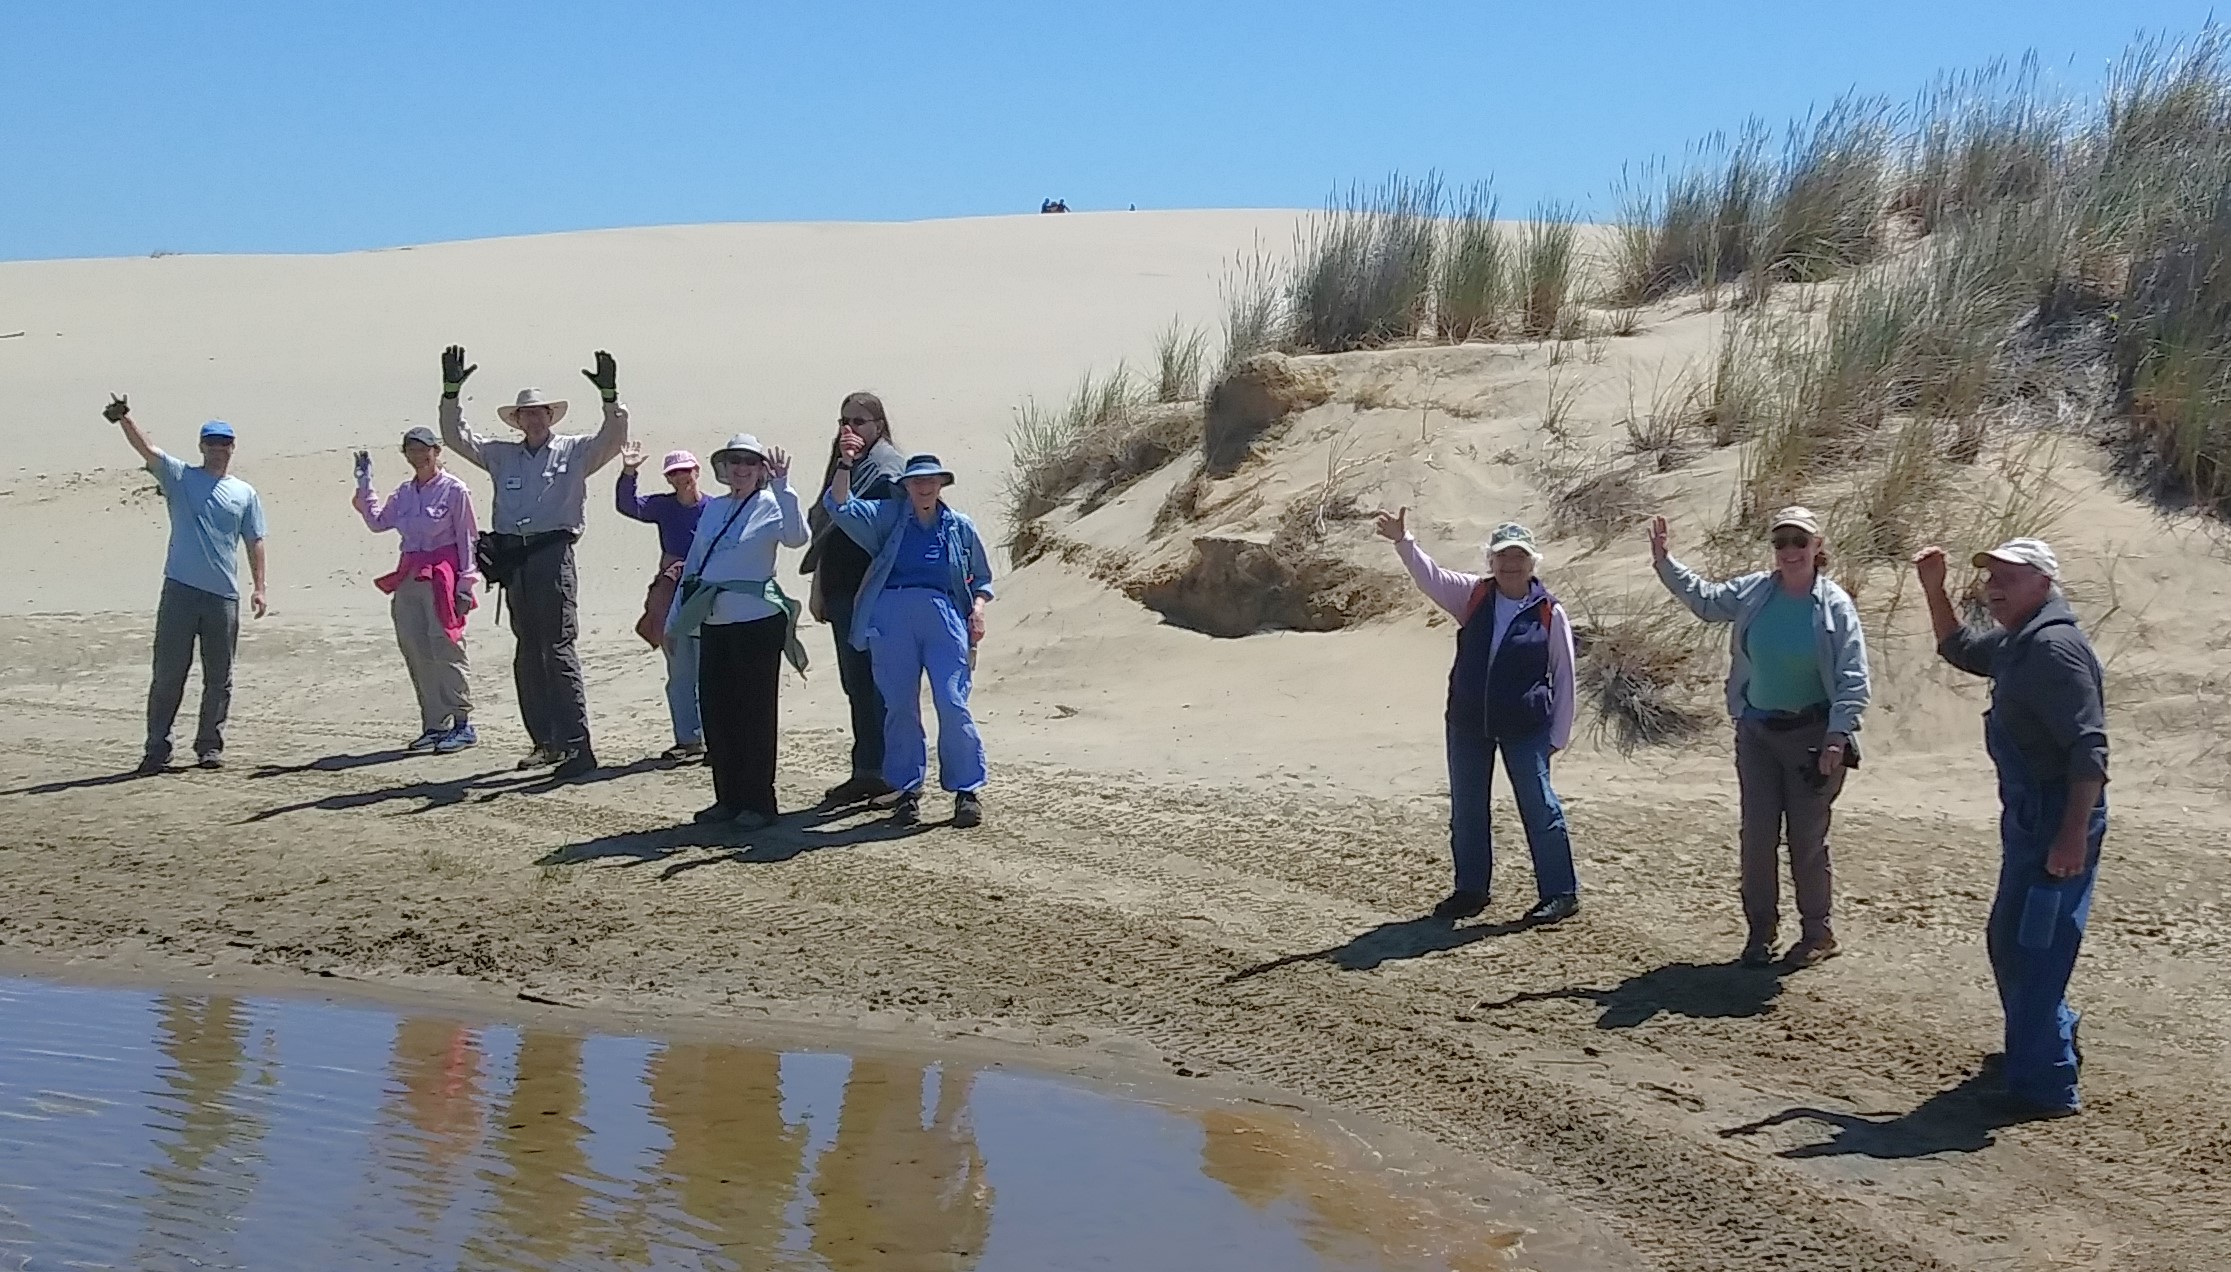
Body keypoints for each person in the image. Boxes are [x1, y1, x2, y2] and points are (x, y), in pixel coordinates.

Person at [1914, 538, 2107, 1118]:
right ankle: (2046, 1038)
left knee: (2036, 948)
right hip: (2030, 816)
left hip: (2057, 815)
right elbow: (1961, 649)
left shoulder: (2054, 649)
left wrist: (2071, 835)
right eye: (1991, 577)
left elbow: (2089, 752)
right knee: (2011, 940)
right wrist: (1932, 589)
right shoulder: (2021, 641)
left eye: (2010, 577)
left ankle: (2046, 1086)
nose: (1995, 587)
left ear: (2045, 582)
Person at [1650, 507, 1870, 969]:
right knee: (1757, 836)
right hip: (1757, 732)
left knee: (1806, 839)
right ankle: (1760, 933)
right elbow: (1707, 601)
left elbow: (1853, 677)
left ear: (1817, 547)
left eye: (1799, 540)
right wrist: (1665, 562)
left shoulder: (1834, 606)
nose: (1790, 550)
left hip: (1813, 737)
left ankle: (1817, 932)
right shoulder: (1756, 592)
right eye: (1781, 541)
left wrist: (1838, 734)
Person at [1376, 510, 1580, 923]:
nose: (1510, 564)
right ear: (1491, 560)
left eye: (1519, 556)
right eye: (1503, 556)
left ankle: (1560, 892)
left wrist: (1557, 736)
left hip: (1526, 728)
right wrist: (1404, 541)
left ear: (1532, 562)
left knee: (1540, 808)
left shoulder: (1548, 613)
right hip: (1468, 724)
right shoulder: (1472, 595)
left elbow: (1564, 675)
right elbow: (1429, 576)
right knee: (1467, 810)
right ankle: (1471, 890)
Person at [436, 344, 629, 780]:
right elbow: (456, 437)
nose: (534, 419)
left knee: (558, 649)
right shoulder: (501, 454)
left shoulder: (576, 451)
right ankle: (546, 742)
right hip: (514, 561)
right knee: (528, 652)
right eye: (527, 414)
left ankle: (579, 747)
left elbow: (613, 439)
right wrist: (450, 393)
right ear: (517, 420)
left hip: (554, 556)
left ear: (550, 417)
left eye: (540, 412)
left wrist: (610, 397)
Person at [823, 450, 993, 829]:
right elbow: (839, 505)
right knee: (899, 705)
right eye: (917, 481)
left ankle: (967, 791)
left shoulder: (960, 526)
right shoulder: (887, 517)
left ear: (941, 485)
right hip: (891, 617)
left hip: (944, 616)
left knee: (952, 702)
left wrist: (978, 610)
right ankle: (906, 792)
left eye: (931, 480)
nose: (924, 487)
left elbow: (982, 579)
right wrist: (846, 463)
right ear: (906, 487)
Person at [102, 396, 269, 775]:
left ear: (232, 447)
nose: (218, 449)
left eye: (224, 443)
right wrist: (125, 418)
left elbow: (255, 539)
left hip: (223, 596)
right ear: (201, 446)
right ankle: (157, 747)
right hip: (179, 590)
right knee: (168, 673)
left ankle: (209, 745)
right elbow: (147, 448)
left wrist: (259, 587)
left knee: (219, 676)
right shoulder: (180, 477)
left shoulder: (244, 493)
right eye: (211, 442)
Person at [668, 434, 809, 827]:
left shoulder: (771, 504)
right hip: (714, 620)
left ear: (761, 468)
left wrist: (784, 487)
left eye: (750, 462)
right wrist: (676, 619)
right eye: (735, 462)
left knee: (755, 714)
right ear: (724, 468)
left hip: (756, 622)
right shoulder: (715, 509)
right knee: (717, 711)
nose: (741, 469)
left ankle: (759, 803)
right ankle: (727, 799)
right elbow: (694, 564)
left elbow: (797, 538)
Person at [801, 392, 907, 804]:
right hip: (842, 589)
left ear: (878, 425)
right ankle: (866, 769)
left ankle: (890, 771)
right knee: (856, 682)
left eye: (859, 422)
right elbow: (826, 529)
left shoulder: (888, 469)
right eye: (844, 421)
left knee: (879, 682)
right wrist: (819, 585)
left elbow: (893, 535)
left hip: (877, 590)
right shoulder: (845, 467)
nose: (850, 429)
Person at [353, 427, 479, 753]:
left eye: (424, 449)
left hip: (443, 577)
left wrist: (466, 584)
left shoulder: (455, 490)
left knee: (447, 647)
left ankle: (463, 723)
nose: (418, 455)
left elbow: (467, 540)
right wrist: (364, 483)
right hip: (409, 574)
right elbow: (379, 522)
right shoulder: (404, 493)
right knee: (416, 649)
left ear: (437, 451)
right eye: (411, 449)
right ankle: (434, 725)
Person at [617, 442, 709, 760]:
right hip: (674, 592)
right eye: (675, 473)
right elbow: (628, 506)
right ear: (669, 478)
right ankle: (688, 739)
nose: (682, 477)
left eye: (686, 470)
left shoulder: (715, 508)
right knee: (680, 667)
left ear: (697, 472)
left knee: (710, 668)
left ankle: (715, 739)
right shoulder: (664, 506)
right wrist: (629, 471)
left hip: (710, 591)